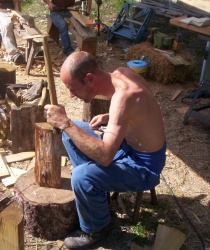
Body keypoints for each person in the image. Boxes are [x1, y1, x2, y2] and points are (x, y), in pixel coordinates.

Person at [44, 51, 166, 249]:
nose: (71, 95)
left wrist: (65, 122)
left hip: (143, 166)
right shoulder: (122, 73)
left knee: (81, 174)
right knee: (71, 133)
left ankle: (96, 228)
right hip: (128, 147)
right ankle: (95, 196)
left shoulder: (124, 96)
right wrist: (111, 116)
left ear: (89, 78)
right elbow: (142, 105)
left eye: (73, 88)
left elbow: (106, 155)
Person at [0, 0, 25, 65]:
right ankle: (14, 54)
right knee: (6, 26)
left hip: (14, 9)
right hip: (0, 10)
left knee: (27, 23)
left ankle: (36, 49)